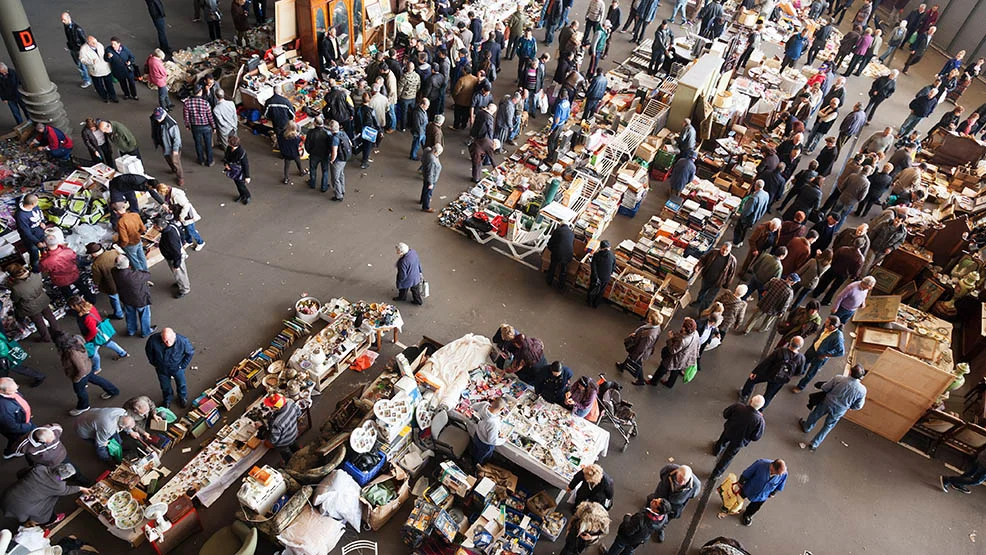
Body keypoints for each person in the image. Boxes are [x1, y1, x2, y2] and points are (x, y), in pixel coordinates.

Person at [800, 363, 866, 450]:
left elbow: (825, 387)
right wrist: (850, 406)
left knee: (815, 415)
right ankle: (814, 443)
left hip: (828, 402)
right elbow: (858, 406)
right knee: (828, 426)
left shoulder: (839, 378)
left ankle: (807, 427)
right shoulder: (862, 390)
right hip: (840, 409)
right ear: (861, 376)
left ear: (850, 372)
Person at [53, 331, 119, 417]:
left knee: (80, 391)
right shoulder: (76, 339)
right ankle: (113, 390)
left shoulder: (71, 353)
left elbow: (81, 369)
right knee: (96, 379)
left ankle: (84, 406)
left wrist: (76, 379)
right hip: (88, 366)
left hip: (81, 374)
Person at [1, 464, 87, 526]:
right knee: (52, 499)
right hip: (20, 509)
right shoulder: (58, 486)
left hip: (7, 496)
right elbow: (67, 490)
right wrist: (81, 488)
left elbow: (20, 473)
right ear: (65, 477)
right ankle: (38, 522)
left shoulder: (39, 468)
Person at [67, 296, 130, 378]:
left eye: (71, 306)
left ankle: (97, 368)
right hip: (101, 333)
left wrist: (87, 339)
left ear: (75, 306)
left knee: (93, 353)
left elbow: (93, 331)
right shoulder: (90, 307)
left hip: (94, 336)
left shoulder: (86, 318)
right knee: (108, 342)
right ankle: (123, 353)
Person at [741, 337, 805, 409]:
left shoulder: (780, 351)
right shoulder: (801, 358)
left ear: (790, 342)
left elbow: (766, 362)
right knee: (769, 395)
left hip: (768, 373)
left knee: (752, 380)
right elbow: (799, 372)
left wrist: (755, 372)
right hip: (781, 379)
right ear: (800, 347)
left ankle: (744, 394)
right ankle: (760, 409)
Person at [710, 395, 766, 479]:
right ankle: (716, 474)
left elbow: (726, 414)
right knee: (728, 456)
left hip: (729, 431)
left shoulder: (738, 406)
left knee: (722, 441)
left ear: (751, 401)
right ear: (761, 407)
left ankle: (716, 450)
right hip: (740, 441)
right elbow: (756, 437)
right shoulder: (759, 421)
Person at [7, 264, 61, 343]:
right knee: (50, 317)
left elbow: (14, 299)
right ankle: (58, 332)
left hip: (30, 307)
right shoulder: (36, 275)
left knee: (39, 323)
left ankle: (46, 338)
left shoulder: (16, 288)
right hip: (43, 300)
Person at [647, 465, 700, 542]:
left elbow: (692, 495)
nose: (681, 482)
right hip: (661, 497)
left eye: (684, 480)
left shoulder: (696, 485)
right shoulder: (669, 469)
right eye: (680, 479)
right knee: (652, 507)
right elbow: (662, 474)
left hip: (674, 506)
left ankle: (660, 528)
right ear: (677, 473)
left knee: (667, 518)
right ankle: (648, 523)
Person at [793, 315, 845, 392]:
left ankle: (800, 387)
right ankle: (801, 371)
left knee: (810, 373)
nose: (825, 323)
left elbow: (841, 352)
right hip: (813, 349)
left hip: (820, 356)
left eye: (827, 322)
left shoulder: (838, 337)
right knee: (804, 361)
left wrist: (826, 355)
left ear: (832, 326)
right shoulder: (826, 327)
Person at [145, 328, 194, 409]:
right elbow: (149, 352)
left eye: (169, 340)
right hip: (162, 369)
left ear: (174, 336)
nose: (167, 343)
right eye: (165, 340)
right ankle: (167, 399)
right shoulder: (153, 340)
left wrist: (182, 366)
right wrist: (154, 363)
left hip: (177, 368)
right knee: (165, 386)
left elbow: (190, 353)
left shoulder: (183, 341)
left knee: (181, 384)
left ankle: (182, 397)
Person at [730, 459, 787, 526]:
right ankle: (731, 506)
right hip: (749, 488)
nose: (780, 475)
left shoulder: (783, 473)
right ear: (772, 467)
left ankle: (747, 515)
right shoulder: (760, 464)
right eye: (778, 473)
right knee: (738, 498)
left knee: (754, 507)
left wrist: (773, 493)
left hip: (763, 495)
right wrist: (741, 482)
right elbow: (748, 472)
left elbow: (781, 484)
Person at [39, 235, 94, 304]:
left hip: (60, 280)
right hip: (74, 274)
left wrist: (44, 255)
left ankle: (75, 308)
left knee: (69, 296)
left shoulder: (46, 261)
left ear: (45, 244)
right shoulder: (68, 251)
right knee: (83, 288)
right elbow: (74, 258)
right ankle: (91, 300)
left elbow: (42, 268)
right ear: (57, 242)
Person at [646, 318, 700, 388]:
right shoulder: (695, 333)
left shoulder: (683, 340)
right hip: (685, 357)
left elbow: (672, 350)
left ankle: (653, 381)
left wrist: (671, 338)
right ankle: (670, 383)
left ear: (684, 328)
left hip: (675, 358)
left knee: (662, 368)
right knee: (676, 370)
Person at [605, 497, 671, 553]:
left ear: (657, 511)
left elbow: (627, 531)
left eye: (656, 503)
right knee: (629, 551)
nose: (654, 500)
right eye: (657, 499)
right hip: (639, 540)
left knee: (617, 547)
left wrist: (627, 518)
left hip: (625, 539)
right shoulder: (664, 517)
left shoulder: (641, 518)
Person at [155, 183, 204, 250]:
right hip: (182, 215)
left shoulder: (176, 195)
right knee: (186, 229)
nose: (161, 194)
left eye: (160, 193)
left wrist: (182, 216)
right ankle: (189, 241)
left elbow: (186, 206)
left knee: (191, 230)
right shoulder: (170, 193)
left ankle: (200, 242)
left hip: (186, 216)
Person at [616, 312, 663, 380]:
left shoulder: (648, 335)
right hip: (643, 348)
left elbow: (642, 348)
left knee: (637, 362)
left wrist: (635, 355)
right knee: (630, 357)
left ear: (651, 320)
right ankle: (622, 366)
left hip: (640, 351)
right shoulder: (656, 327)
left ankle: (641, 380)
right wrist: (636, 334)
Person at [153, 215, 190, 299]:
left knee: (179, 273)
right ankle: (180, 283)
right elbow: (181, 232)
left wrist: (176, 265)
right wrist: (183, 241)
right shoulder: (172, 226)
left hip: (175, 258)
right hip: (177, 253)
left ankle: (184, 289)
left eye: (155, 227)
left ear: (160, 228)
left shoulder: (170, 237)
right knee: (179, 273)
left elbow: (177, 253)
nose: (154, 228)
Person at [693, 243, 736, 311]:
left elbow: (731, 274)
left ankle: (702, 312)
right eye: (723, 249)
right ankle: (698, 302)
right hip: (707, 277)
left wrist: (726, 285)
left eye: (726, 250)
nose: (724, 252)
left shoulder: (732, 260)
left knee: (709, 299)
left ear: (730, 251)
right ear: (721, 247)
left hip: (717, 283)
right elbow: (703, 259)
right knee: (702, 291)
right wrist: (698, 266)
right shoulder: (713, 252)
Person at [0, 377, 34, 459]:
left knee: (14, 439)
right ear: (1, 391)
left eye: (16, 388)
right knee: (15, 439)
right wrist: (27, 426)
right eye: (12, 391)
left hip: (22, 421)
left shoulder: (11, 394)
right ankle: (9, 453)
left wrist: (26, 415)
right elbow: (11, 426)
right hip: (19, 427)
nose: (16, 392)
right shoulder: (4, 408)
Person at [149, 107, 184, 186]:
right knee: (167, 157)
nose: (158, 120)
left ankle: (180, 177)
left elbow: (177, 139)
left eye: (159, 118)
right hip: (165, 144)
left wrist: (175, 150)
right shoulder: (155, 119)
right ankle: (173, 169)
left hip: (172, 147)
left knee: (176, 162)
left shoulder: (171, 124)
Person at [263, 393, 301, 463]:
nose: (269, 407)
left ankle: (291, 463)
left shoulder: (277, 423)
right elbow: (299, 413)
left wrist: (263, 430)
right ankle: (300, 454)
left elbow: (273, 440)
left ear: (277, 408)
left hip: (283, 443)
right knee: (294, 445)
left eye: (271, 407)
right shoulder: (291, 404)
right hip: (293, 434)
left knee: (286, 454)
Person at [79, 36, 117, 103]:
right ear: (88, 43)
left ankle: (113, 96)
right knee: (99, 86)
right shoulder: (83, 49)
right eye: (93, 43)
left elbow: (104, 53)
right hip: (95, 71)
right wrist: (91, 61)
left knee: (109, 84)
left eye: (95, 42)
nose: (95, 44)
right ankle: (104, 97)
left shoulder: (99, 45)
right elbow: (82, 60)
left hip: (105, 68)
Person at [733, 181, 769, 246]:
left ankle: (736, 243)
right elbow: (765, 208)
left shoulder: (754, 198)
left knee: (739, 230)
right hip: (755, 218)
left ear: (755, 186)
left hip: (747, 219)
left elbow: (747, 211)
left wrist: (740, 216)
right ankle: (740, 241)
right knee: (744, 230)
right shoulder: (766, 194)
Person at [471, 397, 507, 463]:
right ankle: (477, 464)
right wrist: (503, 439)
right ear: (502, 409)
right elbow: (492, 441)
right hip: (485, 443)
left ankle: (472, 456)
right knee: (481, 456)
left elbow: (473, 406)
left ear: (493, 401)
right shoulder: (493, 423)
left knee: (475, 447)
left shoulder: (484, 405)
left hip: (477, 434)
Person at [61, 13, 91, 88]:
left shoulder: (78, 29)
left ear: (69, 18)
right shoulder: (67, 26)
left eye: (64, 19)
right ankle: (88, 73)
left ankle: (87, 80)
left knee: (80, 65)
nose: (63, 21)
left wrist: (83, 50)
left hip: (78, 49)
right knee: (79, 64)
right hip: (73, 48)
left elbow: (84, 40)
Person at [305, 116, 332, 192]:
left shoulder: (310, 132)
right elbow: (331, 145)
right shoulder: (328, 132)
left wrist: (309, 151)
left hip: (314, 154)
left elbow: (307, 145)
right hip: (325, 155)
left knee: (313, 169)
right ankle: (324, 186)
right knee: (325, 170)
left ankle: (312, 183)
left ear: (315, 123)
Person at [546, 223, 575, 291]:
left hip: (558, 252)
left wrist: (550, 248)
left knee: (553, 266)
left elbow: (551, 241)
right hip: (568, 254)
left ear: (561, 225)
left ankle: (549, 280)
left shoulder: (558, 230)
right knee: (563, 269)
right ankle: (561, 285)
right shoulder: (572, 233)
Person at [224, 135, 251, 204]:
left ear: (231, 144)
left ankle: (247, 196)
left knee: (241, 185)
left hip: (240, 172)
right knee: (237, 184)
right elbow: (226, 157)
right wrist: (226, 164)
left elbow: (245, 165)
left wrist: (247, 176)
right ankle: (242, 195)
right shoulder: (229, 148)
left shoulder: (241, 153)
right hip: (233, 170)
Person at [588, 240, 616, 308]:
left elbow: (593, 267)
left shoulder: (597, 255)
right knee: (601, 291)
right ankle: (596, 304)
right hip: (606, 278)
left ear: (601, 247)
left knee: (592, 288)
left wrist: (595, 276)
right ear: (609, 247)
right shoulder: (612, 256)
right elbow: (613, 268)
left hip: (596, 277)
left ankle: (589, 301)